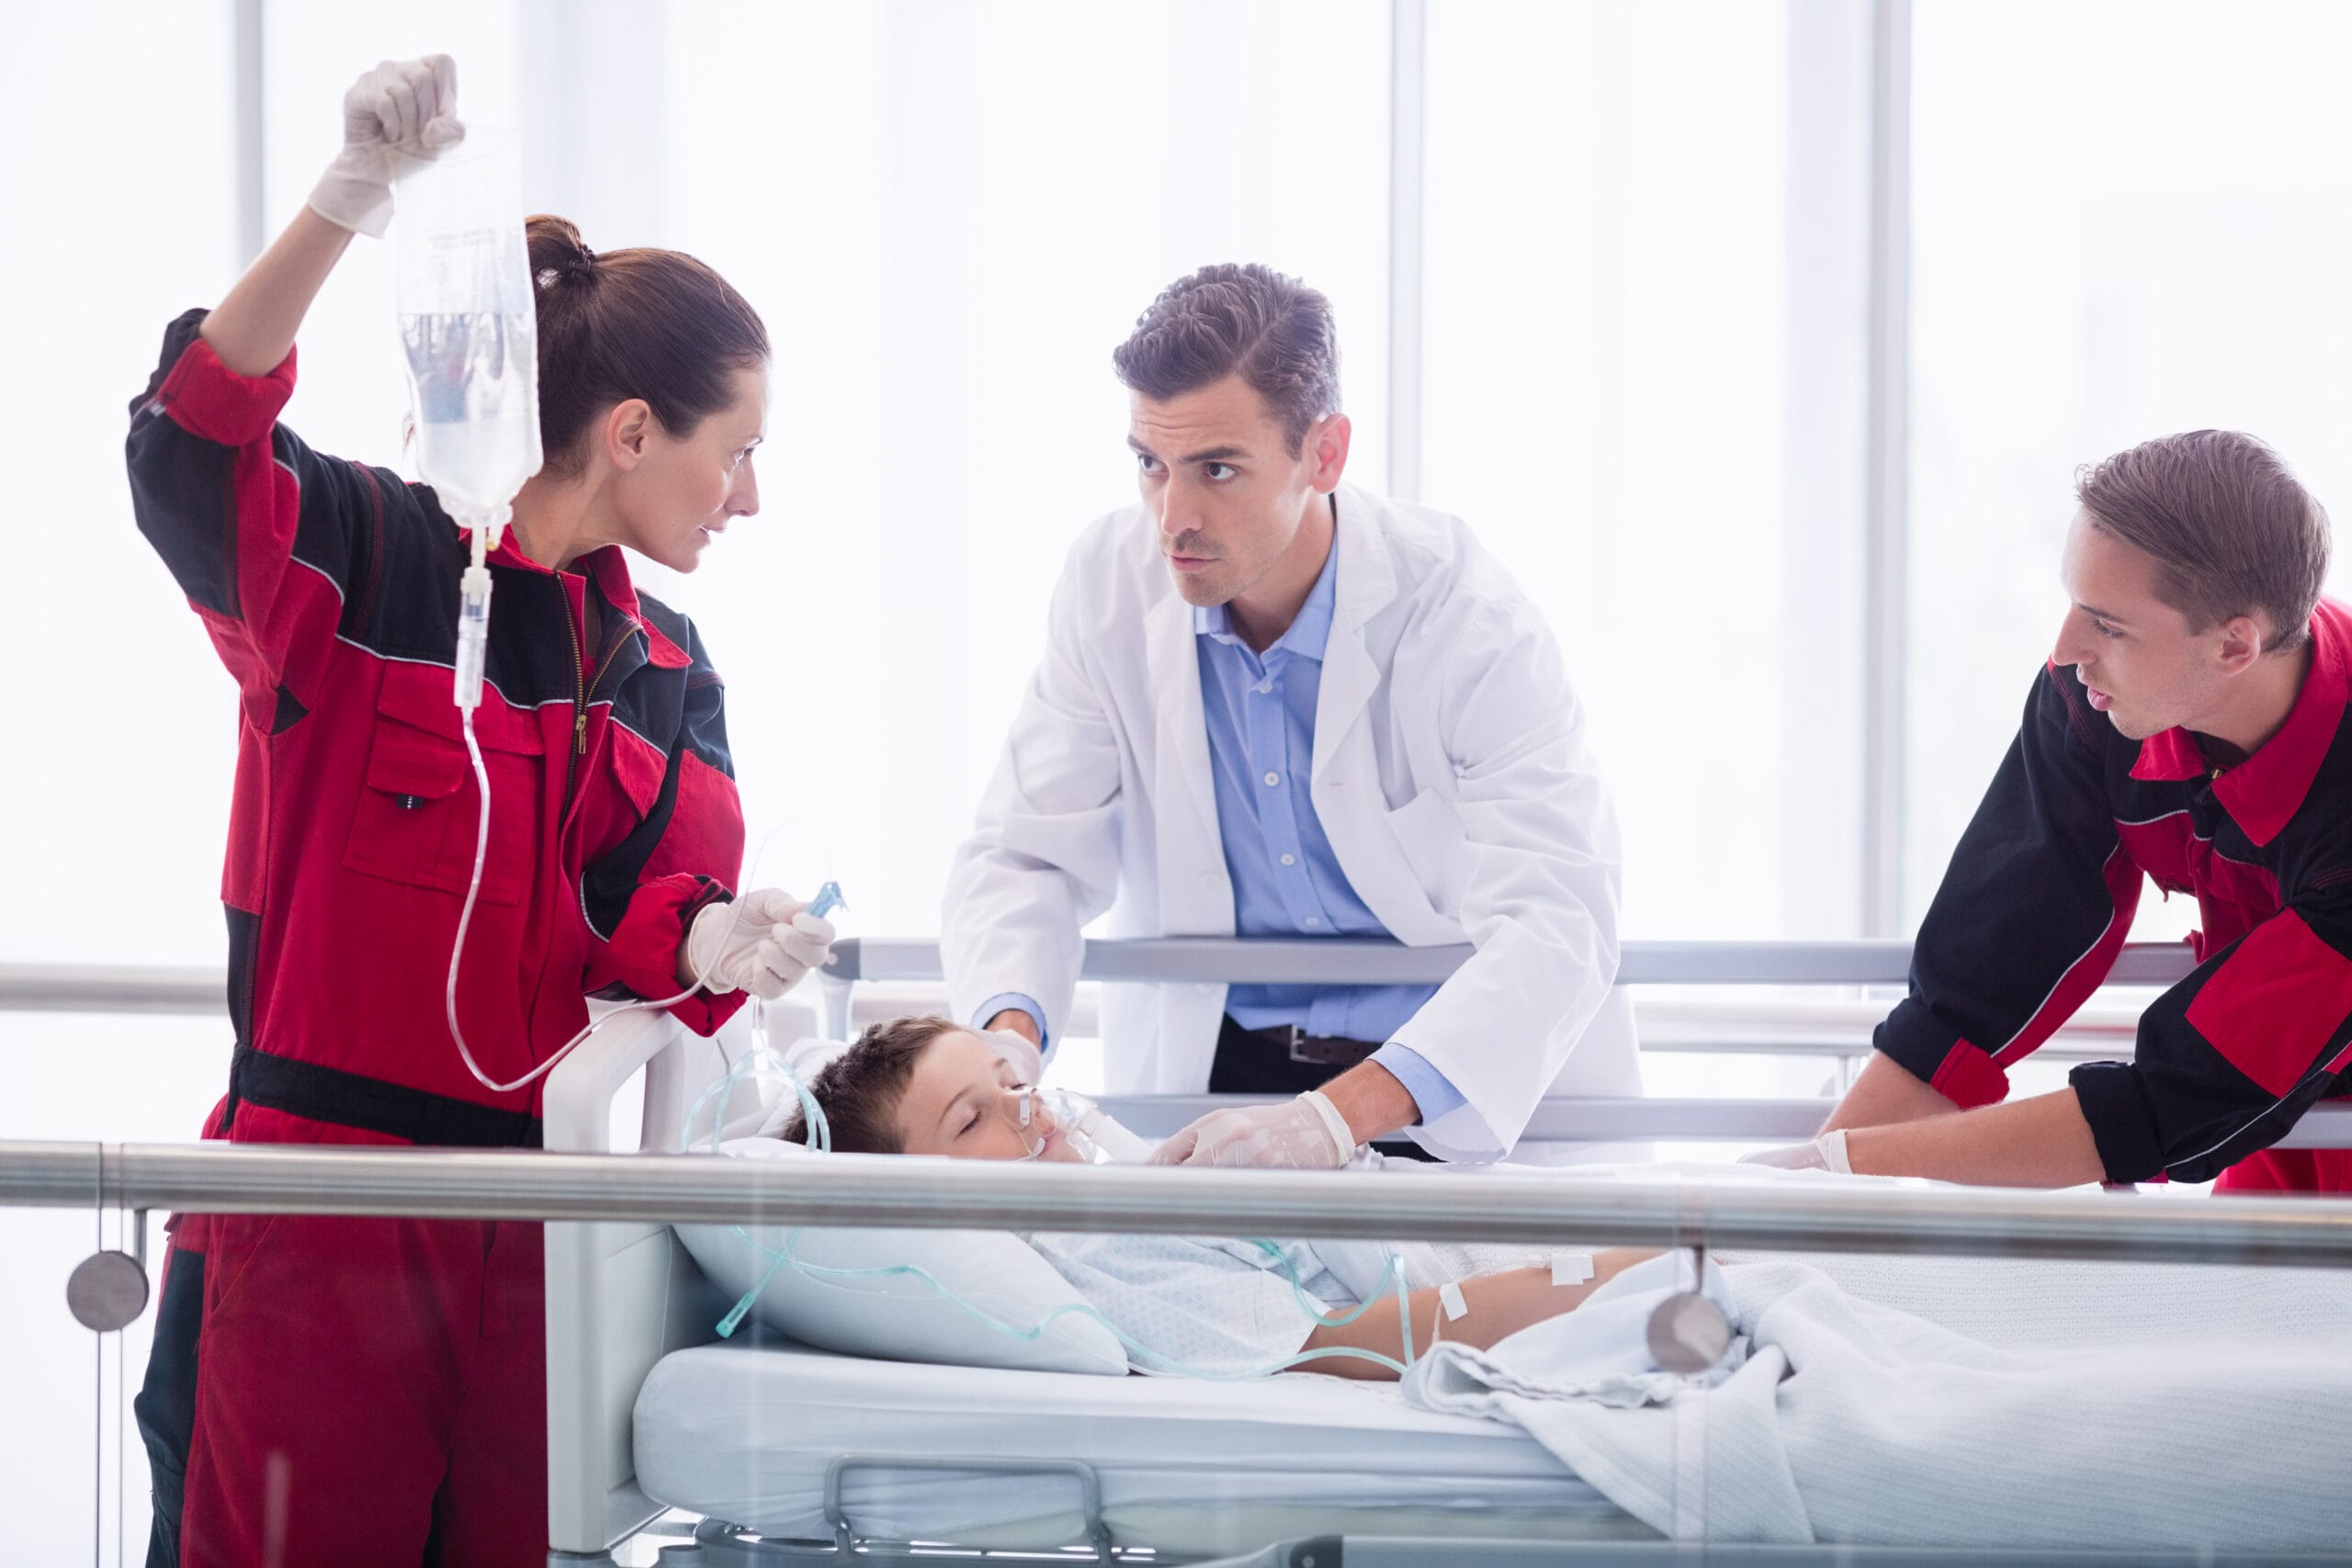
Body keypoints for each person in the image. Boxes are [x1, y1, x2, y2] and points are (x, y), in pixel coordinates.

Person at [127, 57, 832, 1566]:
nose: (752, 496)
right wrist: (339, 208)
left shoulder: (663, 672)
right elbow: (192, 451)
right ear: (638, 432)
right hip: (312, 1223)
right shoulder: (371, 560)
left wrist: (721, 945)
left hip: (535, 1246)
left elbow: (649, 919)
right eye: (743, 449)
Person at [941, 263, 1636, 1169]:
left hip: (1444, 1088)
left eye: (1217, 470)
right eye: (1149, 465)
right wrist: (1008, 1037)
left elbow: (1558, 917)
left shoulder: (1465, 618)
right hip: (1219, 1078)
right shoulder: (1108, 585)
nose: (1170, 519)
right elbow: (1026, 854)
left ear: (1325, 454)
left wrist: (1334, 1120)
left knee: (1459, 1311)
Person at [1755, 430, 2352, 1191]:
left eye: (2107, 623)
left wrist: (1838, 1165)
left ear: (2235, 646)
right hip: (2272, 1115)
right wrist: (1783, 1201)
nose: (2066, 646)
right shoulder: (2099, 700)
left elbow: (2165, 1101)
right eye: (2074, 603)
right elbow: (1980, 981)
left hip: (2273, 1093)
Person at [771, 1016, 1657, 1379]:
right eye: (974, 1120)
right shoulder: (1105, 1261)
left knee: (1760, 1194)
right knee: (1743, 1228)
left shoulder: (1132, 1194)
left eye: (1012, 1077)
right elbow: (1371, 1339)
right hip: (1533, 1281)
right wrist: (1635, 1263)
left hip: (1501, 1227)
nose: (1026, 1103)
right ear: (925, 1198)